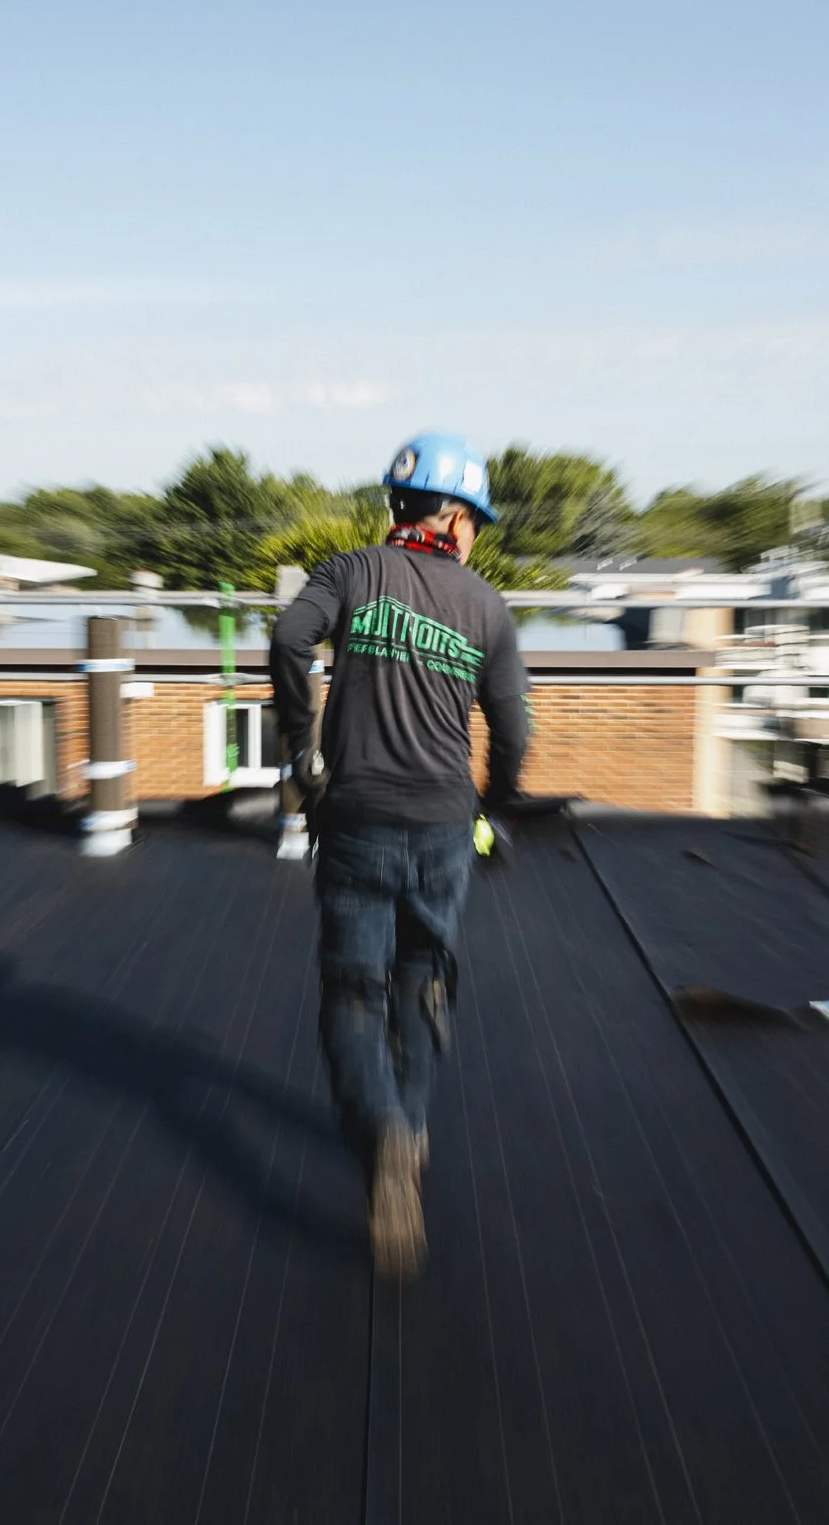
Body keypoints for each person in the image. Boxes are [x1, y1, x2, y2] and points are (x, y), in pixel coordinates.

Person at [270, 432, 530, 1279]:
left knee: (353, 992)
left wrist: (302, 754)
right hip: (445, 826)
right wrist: (491, 805)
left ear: (401, 511)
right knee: (422, 983)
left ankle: (380, 1133)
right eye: (476, 522)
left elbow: (286, 641)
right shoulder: (487, 607)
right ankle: (409, 1137)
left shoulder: (349, 573)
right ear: (455, 520)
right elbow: (516, 733)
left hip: (356, 820)